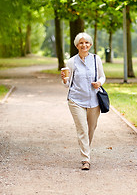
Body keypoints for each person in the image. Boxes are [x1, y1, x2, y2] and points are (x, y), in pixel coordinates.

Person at [61, 32, 106, 170]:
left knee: (91, 129)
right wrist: (64, 79)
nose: (84, 45)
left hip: (94, 100)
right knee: (82, 129)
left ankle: (86, 149)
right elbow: (67, 84)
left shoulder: (96, 59)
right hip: (76, 100)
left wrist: (99, 82)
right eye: (81, 43)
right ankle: (85, 159)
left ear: (90, 45)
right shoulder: (71, 62)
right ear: (76, 45)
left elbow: (103, 76)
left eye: (86, 42)